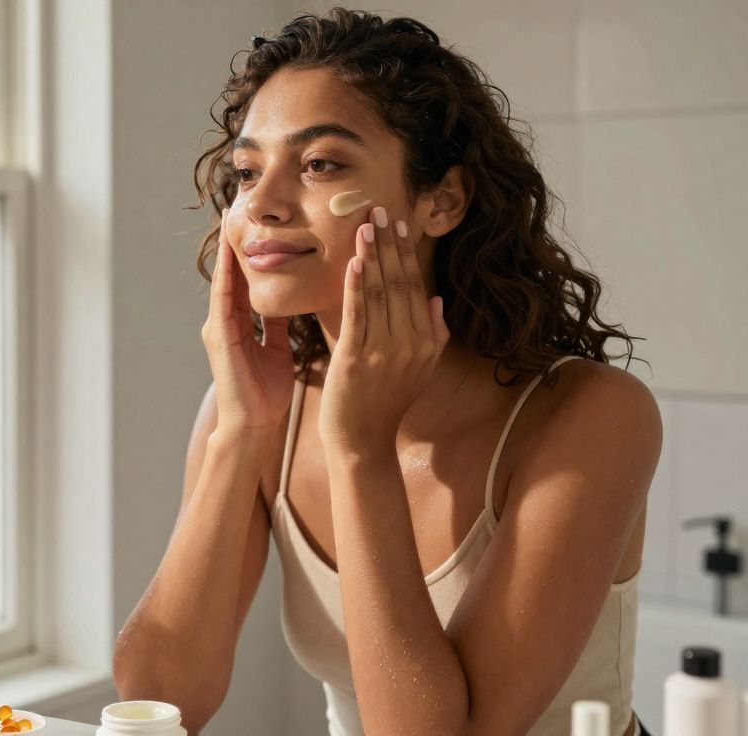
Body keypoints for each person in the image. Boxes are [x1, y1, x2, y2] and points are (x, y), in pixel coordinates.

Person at [114, 9, 661, 736]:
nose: (261, 205)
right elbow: (158, 705)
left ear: (443, 200)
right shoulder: (249, 413)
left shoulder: (593, 416)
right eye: (247, 171)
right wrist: (239, 431)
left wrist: (359, 448)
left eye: (320, 164)